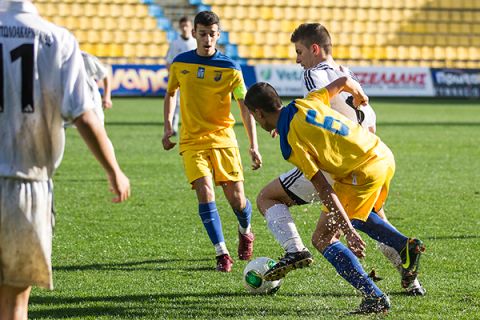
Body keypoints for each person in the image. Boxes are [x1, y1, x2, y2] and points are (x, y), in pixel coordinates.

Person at [255, 23, 425, 296]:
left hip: (337, 160)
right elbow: (365, 115)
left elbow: (321, 116)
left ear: (314, 49)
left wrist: (292, 128)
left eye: (299, 52)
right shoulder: (347, 72)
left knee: (269, 198)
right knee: (370, 218)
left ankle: (295, 250)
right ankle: (410, 276)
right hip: (372, 151)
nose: (298, 60)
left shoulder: (312, 74)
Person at [0, 1, 131, 319]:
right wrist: (113, 170)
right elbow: (83, 116)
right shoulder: (56, 39)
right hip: (26, 184)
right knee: (15, 302)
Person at [162, 11, 262, 272]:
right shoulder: (180, 63)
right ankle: (222, 253)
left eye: (212, 34)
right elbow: (171, 93)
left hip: (223, 140)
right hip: (192, 141)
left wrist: (254, 145)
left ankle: (245, 230)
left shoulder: (230, 68)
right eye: (202, 33)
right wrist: (167, 128)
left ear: (218, 35)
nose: (207, 39)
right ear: (194, 33)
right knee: (205, 192)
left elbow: (244, 105)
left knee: (237, 200)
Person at [165, 16, 196, 135]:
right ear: (179, 27)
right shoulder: (175, 43)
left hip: (193, 80)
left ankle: (193, 125)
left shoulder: (195, 43)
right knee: (176, 103)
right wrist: (173, 76)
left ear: (190, 27)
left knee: (193, 103)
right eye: (182, 26)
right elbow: (169, 61)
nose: (184, 28)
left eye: (186, 26)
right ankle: (174, 127)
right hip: (179, 78)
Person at [81, 51, 113, 124]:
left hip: (91, 100)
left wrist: (107, 97)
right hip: (66, 99)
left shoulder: (85, 57)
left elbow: (105, 75)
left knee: (98, 129)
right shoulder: (56, 58)